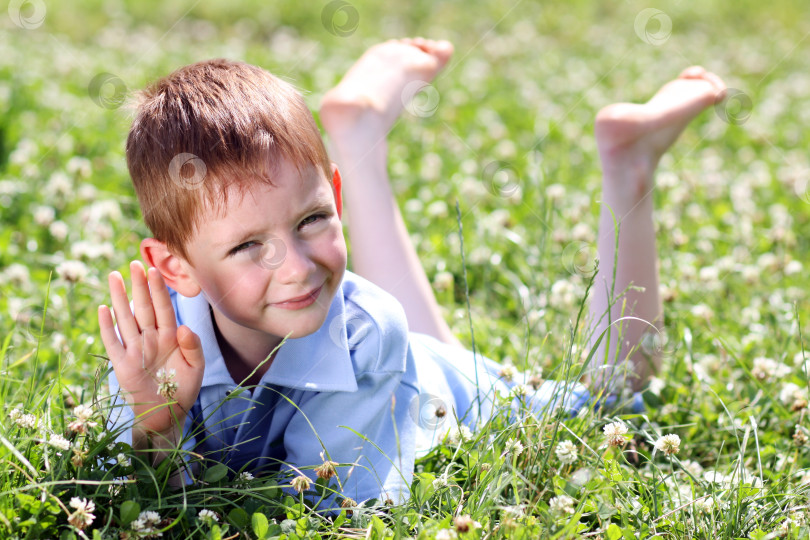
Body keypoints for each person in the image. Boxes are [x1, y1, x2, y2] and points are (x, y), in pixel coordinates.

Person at [98, 38, 726, 509]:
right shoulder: (151, 350)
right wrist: (157, 421)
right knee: (387, 330)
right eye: (246, 247)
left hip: (446, 393)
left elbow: (336, 514)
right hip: (394, 355)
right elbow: (134, 505)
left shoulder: (369, 334)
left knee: (615, 397)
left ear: (334, 198)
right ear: (174, 268)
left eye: (313, 219)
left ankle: (630, 164)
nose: (295, 266)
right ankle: (360, 128)